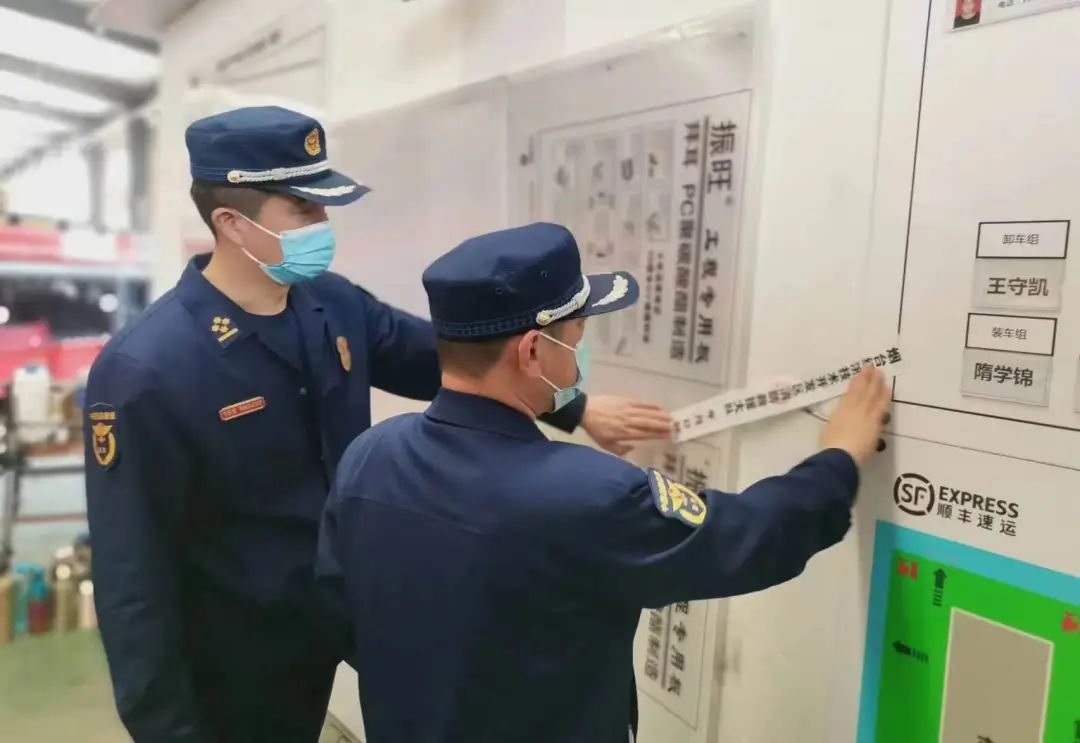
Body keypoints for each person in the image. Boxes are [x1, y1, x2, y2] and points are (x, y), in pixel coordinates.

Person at [83, 108, 672, 743]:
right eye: (303, 209)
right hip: (232, 655)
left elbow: (451, 360)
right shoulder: (148, 368)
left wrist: (577, 408)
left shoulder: (332, 304)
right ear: (232, 222)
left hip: (334, 620)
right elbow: (131, 576)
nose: (322, 224)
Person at [317, 222, 893, 743]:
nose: (580, 350)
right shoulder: (585, 495)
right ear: (533, 350)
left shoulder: (370, 456)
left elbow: (341, 615)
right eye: (577, 333)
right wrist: (839, 456)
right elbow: (751, 536)